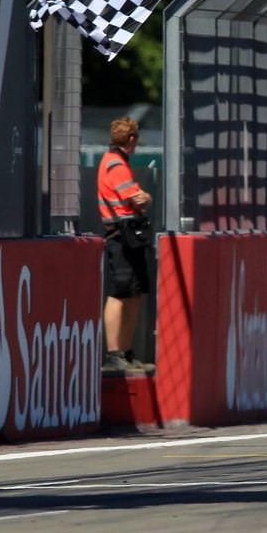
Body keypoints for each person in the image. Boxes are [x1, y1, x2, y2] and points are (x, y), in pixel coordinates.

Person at [97, 117, 154, 374]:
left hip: (128, 235)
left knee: (134, 292)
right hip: (121, 236)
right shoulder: (116, 164)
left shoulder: (115, 162)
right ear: (132, 140)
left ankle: (125, 350)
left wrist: (143, 196)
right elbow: (135, 198)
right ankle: (114, 352)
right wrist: (147, 197)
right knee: (120, 293)